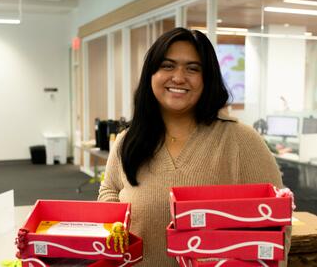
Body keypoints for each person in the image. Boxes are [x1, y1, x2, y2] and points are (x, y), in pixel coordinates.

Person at [98, 27, 290, 266]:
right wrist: (113, 225)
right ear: (151, 74)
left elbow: (277, 224)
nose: (178, 77)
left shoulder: (241, 140)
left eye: (192, 68)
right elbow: (110, 191)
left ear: (207, 79)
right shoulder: (129, 140)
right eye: (167, 65)